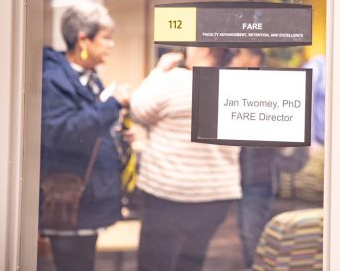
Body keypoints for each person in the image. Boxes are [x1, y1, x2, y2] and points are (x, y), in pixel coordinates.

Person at [130, 47, 241, 271]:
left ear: (204, 50)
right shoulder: (234, 85)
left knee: (155, 264)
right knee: (191, 262)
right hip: (217, 195)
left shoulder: (176, 81)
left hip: (171, 194)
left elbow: (138, 109)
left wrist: (159, 70)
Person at [40, 2, 130, 271]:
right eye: (105, 38)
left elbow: (89, 125)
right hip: (69, 199)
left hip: (89, 198)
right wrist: (112, 105)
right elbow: (64, 132)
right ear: (83, 40)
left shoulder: (89, 77)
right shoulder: (53, 79)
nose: (110, 45)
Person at [229, 48, 309, 270]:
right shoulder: (235, 88)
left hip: (258, 178)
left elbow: (287, 141)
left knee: (252, 237)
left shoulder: (270, 90)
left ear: (254, 59)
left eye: (238, 55)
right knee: (247, 234)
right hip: (238, 179)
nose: (233, 60)